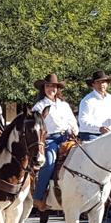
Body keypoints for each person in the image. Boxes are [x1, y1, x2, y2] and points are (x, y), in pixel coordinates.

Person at [31, 74, 77, 210]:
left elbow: (72, 121)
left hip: (67, 137)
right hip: (50, 139)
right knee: (49, 162)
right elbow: (36, 126)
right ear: (44, 88)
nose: (51, 88)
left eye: (54, 86)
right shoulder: (39, 106)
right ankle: (38, 197)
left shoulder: (64, 105)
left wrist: (74, 130)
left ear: (58, 89)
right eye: (48, 86)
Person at [77, 70, 111, 141]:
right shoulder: (87, 100)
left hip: (109, 133)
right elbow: (83, 121)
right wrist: (99, 128)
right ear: (93, 84)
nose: (101, 84)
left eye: (103, 82)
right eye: (98, 82)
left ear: (107, 84)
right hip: (90, 134)